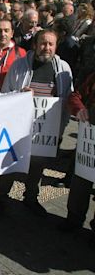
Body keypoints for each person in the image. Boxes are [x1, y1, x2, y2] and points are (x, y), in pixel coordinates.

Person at [0, 30, 73, 217]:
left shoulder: (63, 69)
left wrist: (61, 127)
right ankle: (1, 198)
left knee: (38, 166)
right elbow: (6, 94)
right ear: (35, 45)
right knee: (10, 165)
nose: (46, 48)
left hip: (46, 130)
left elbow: (68, 100)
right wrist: (20, 93)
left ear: (56, 47)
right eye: (43, 43)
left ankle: (30, 197)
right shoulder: (19, 66)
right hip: (20, 128)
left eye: (50, 44)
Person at [58, 71, 95, 234]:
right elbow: (75, 96)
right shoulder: (93, 77)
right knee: (80, 184)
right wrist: (79, 109)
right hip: (88, 141)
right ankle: (73, 219)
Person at [0, 19, 26, 89]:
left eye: (6, 31)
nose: (2, 34)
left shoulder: (20, 53)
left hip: (9, 96)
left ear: (12, 33)